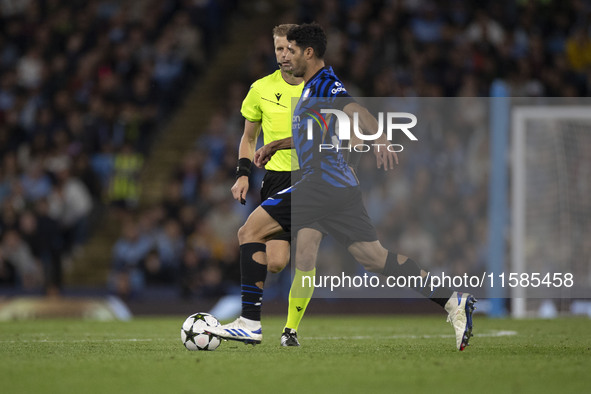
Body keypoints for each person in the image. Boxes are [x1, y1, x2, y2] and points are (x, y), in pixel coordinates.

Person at [209, 23, 476, 351]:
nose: (284, 56)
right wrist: (277, 145)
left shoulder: (324, 83)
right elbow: (314, 134)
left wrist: (378, 137)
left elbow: (356, 109)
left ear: (308, 53)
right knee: (375, 259)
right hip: (342, 189)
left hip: (320, 184)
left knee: (248, 232)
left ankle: (249, 324)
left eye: (291, 51)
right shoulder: (311, 88)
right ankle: (453, 300)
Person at [231, 24, 323, 346]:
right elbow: (248, 137)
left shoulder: (319, 88)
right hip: (276, 180)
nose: (284, 55)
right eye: (278, 49)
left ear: (301, 51)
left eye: (289, 49)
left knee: (307, 254)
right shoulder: (261, 89)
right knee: (276, 262)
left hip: (313, 177)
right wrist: (243, 173)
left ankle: (289, 331)